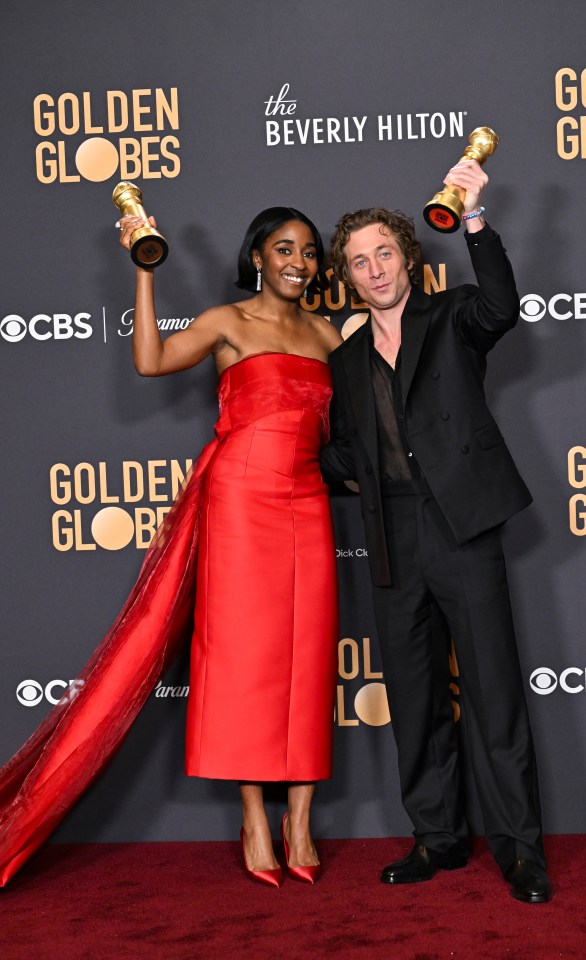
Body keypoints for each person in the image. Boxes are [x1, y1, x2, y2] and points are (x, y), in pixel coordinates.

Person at [0, 206, 342, 889]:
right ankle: (253, 819)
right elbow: (151, 360)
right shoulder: (227, 323)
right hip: (241, 503)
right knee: (246, 659)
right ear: (258, 258)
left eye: (308, 251)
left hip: (310, 502)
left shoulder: (329, 334)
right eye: (283, 248)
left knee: (309, 655)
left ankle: (300, 819)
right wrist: (143, 272)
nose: (297, 261)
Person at [319, 160, 552, 903]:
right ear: (347, 277)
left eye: (384, 252)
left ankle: (520, 851)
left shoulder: (453, 318)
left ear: (409, 258)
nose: (374, 268)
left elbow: (504, 307)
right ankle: (438, 837)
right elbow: (342, 450)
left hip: (461, 527)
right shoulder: (344, 360)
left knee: (493, 693)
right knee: (414, 702)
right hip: (392, 538)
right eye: (358, 260)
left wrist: (476, 217)